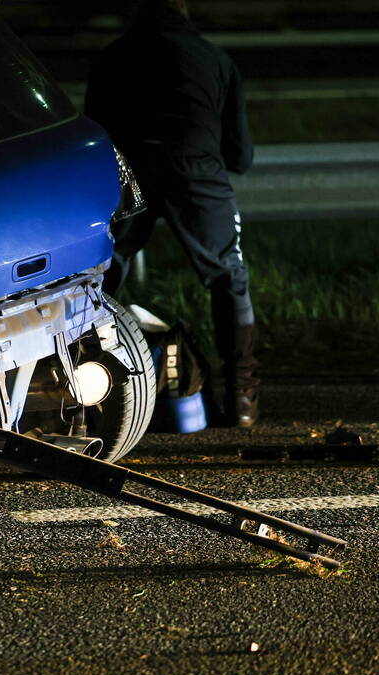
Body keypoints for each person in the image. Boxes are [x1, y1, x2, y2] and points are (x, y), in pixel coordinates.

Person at [85, 0, 259, 428]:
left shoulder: (112, 57)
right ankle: (243, 401)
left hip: (131, 172)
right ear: (185, 11)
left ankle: (90, 391)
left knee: (101, 272)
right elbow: (241, 155)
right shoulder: (216, 59)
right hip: (198, 174)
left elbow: (93, 130)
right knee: (227, 276)